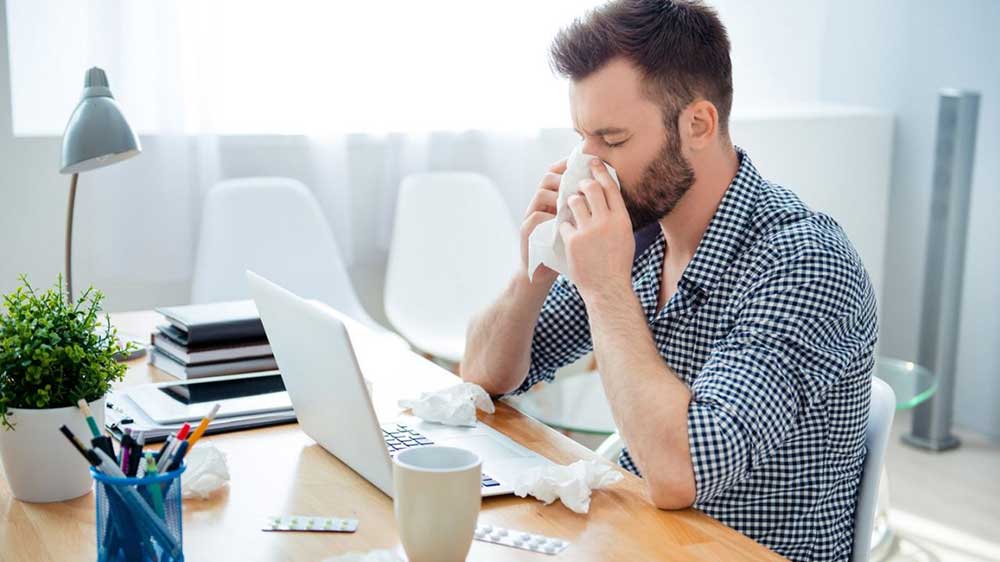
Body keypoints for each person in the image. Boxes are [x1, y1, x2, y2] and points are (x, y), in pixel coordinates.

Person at [460, 1, 878, 560]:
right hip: (640, 538)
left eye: (613, 140)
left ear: (698, 124)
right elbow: (483, 376)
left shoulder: (805, 263)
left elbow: (681, 473)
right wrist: (534, 268)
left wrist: (606, 289)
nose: (589, 166)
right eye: (582, 138)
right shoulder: (639, 231)